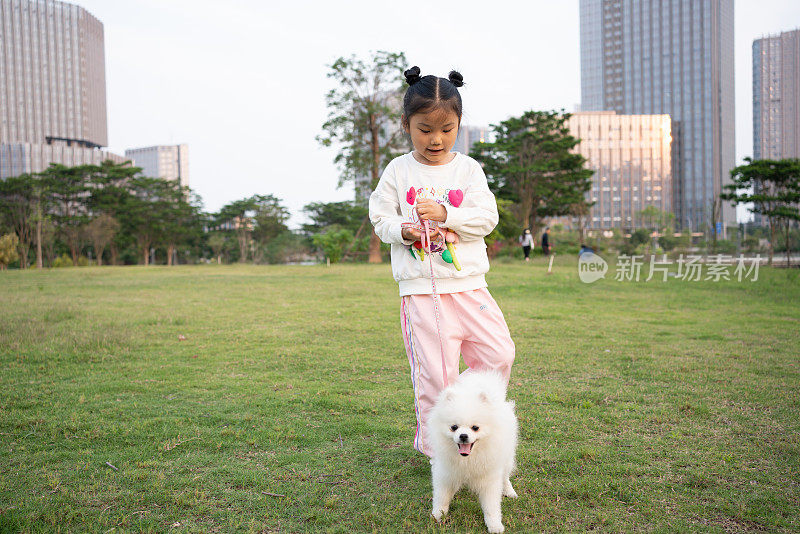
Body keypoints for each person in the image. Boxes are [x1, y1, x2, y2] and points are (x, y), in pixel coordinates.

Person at [369, 66, 515, 458]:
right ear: (406, 124)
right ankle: (437, 451)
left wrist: (445, 216)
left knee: (499, 354)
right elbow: (380, 217)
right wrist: (406, 230)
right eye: (425, 129)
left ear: (459, 124)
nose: (436, 139)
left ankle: (464, 405)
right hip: (421, 291)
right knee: (436, 376)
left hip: (470, 286)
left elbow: (487, 218)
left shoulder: (468, 170)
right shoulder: (398, 171)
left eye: (446, 129)